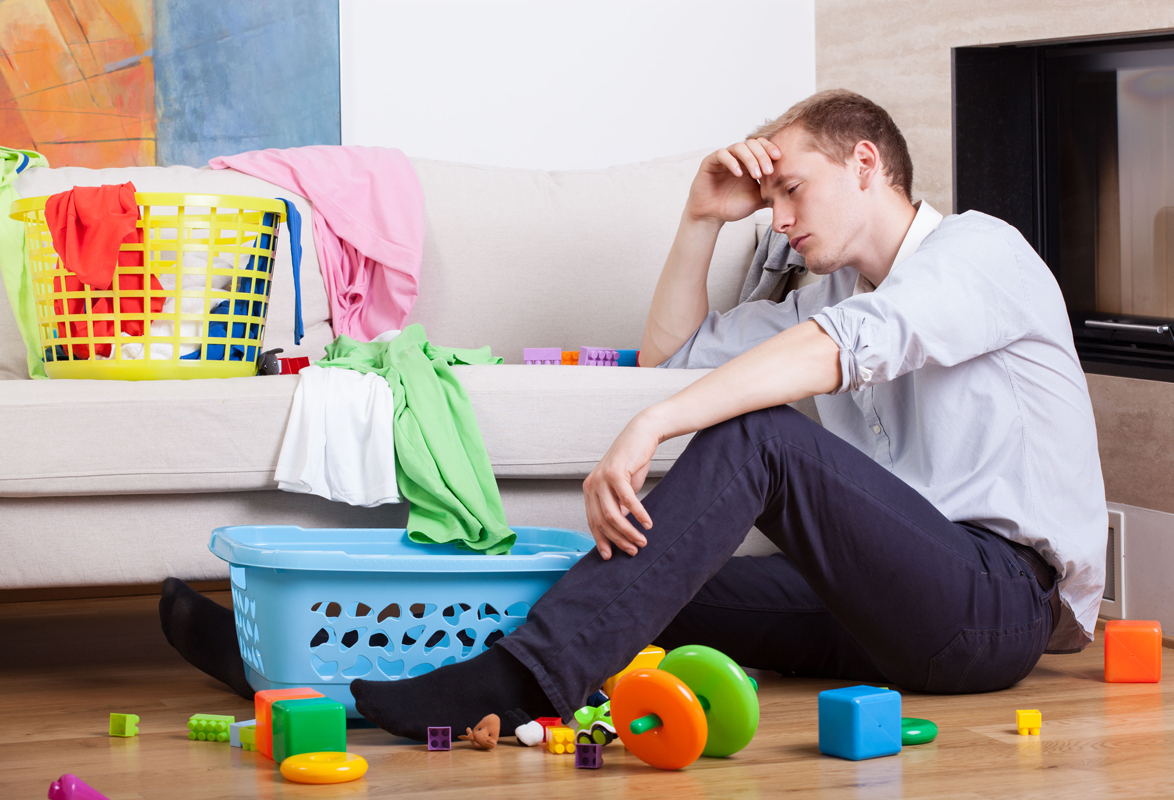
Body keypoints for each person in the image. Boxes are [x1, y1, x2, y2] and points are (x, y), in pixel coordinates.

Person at [160, 90, 1107, 741]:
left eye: (792, 190)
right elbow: (671, 357)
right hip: (884, 607)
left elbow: (834, 352)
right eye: (770, 199)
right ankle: (306, 677)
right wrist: (701, 219)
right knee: (634, 583)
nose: (779, 218)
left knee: (760, 435)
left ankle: (518, 685)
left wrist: (654, 428)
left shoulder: (979, 254)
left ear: (867, 163)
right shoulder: (824, 299)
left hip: (995, 605)